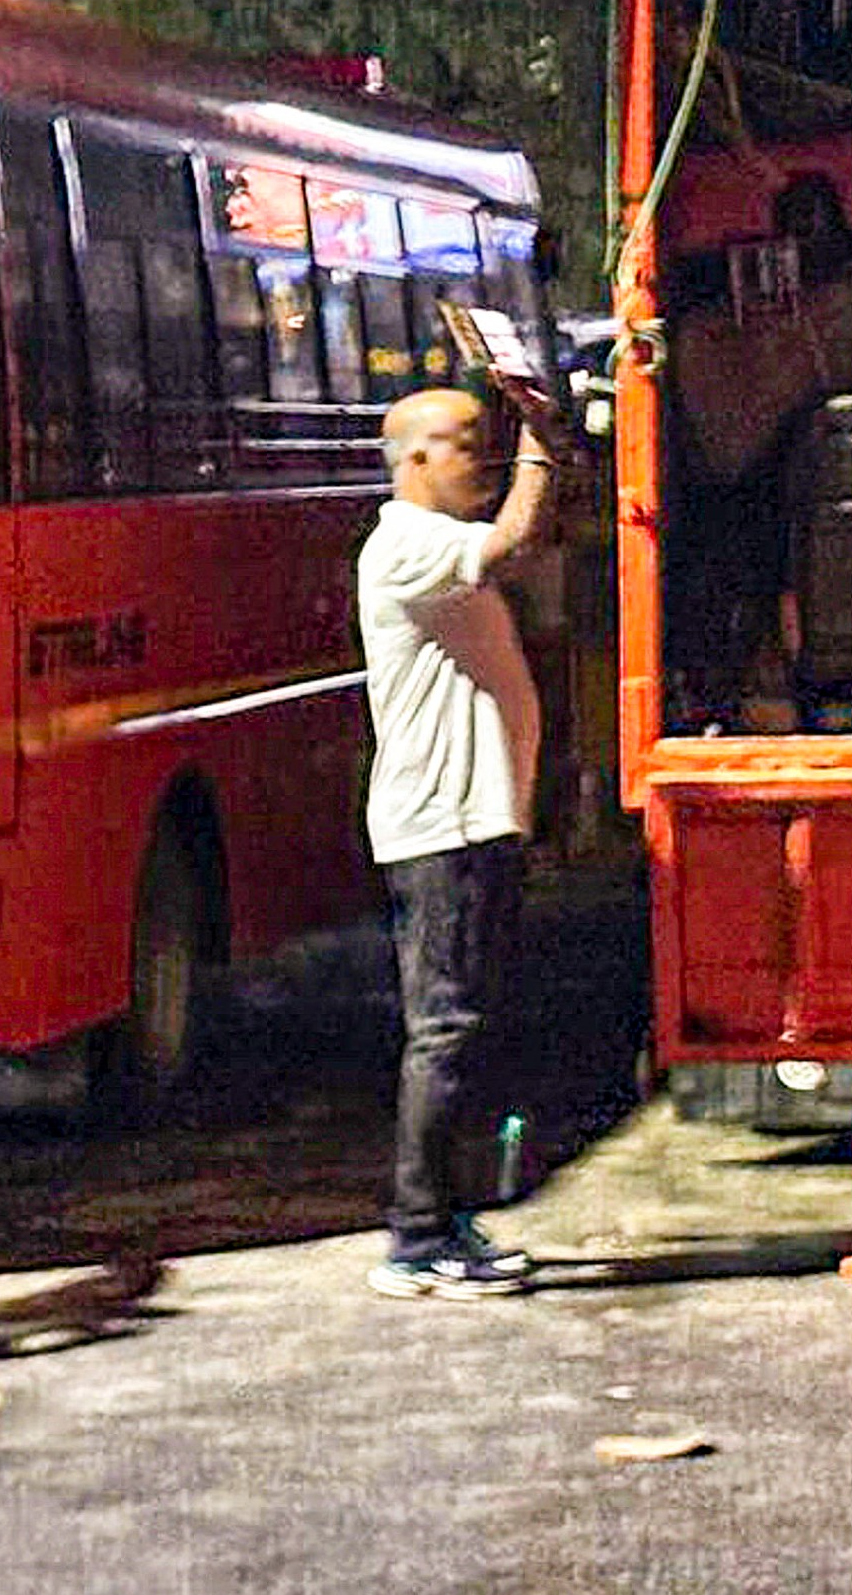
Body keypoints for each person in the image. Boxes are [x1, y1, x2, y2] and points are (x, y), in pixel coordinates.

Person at [358, 374, 560, 1298]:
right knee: (443, 1030)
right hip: (440, 825)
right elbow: (516, 541)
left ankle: (449, 1221)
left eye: (489, 440)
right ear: (414, 461)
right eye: (467, 442)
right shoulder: (407, 545)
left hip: (472, 822)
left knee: (467, 1028)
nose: (482, 457)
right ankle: (416, 1236)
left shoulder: (435, 543)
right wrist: (544, 444)